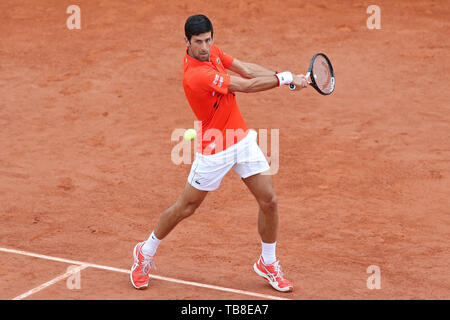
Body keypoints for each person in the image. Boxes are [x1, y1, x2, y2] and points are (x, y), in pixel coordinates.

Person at [130, 14, 308, 293]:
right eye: (198, 42)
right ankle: (145, 251)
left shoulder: (212, 53)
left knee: (269, 201)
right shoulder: (197, 74)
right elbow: (245, 86)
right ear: (187, 42)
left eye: (208, 39)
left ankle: (268, 262)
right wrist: (285, 79)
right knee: (186, 207)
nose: (204, 46)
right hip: (214, 148)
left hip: (241, 139)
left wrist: (287, 77)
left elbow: (246, 70)